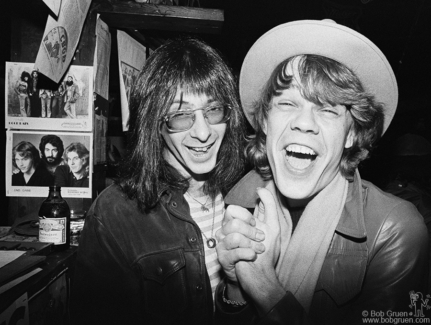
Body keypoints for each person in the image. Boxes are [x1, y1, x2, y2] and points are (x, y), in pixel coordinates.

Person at [214, 19, 428, 324]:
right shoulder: (239, 208)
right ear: (264, 121)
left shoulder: (396, 229)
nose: (304, 122)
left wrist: (264, 288)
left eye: (327, 109)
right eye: (287, 102)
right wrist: (235, 287)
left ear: (351, 134)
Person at [70, 37, 246, 325]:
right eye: (180, 115)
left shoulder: (249, 194)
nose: (204, 132)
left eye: (213, 110)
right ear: (155, 123)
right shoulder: (116, 214)